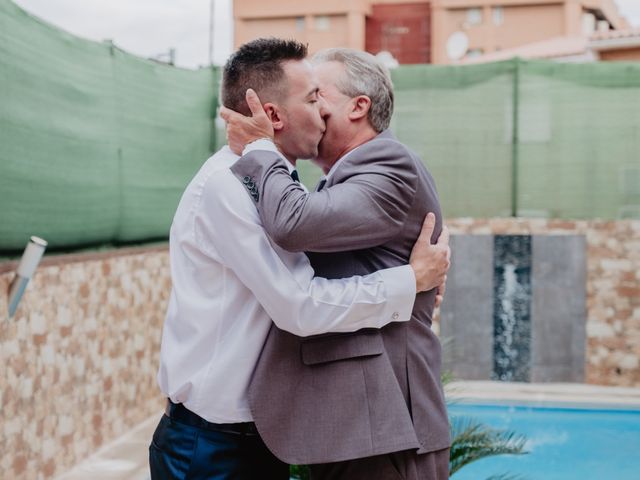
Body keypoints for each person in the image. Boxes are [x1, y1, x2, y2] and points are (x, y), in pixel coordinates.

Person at [149, 39, 450, 480]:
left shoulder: (282, 183)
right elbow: (300, 305)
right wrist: (409, 280)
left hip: (276, 435)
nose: (319, 112)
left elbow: (317, 244)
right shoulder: (228, 186)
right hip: (212, 443)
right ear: (272, 116)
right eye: (311, 98)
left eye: (320, 96)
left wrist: (418, 273)